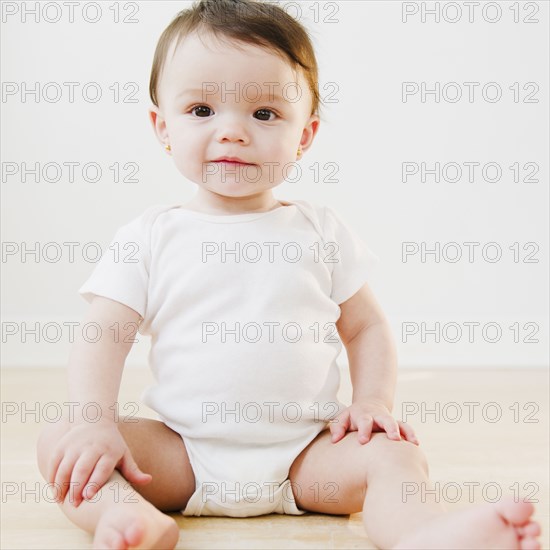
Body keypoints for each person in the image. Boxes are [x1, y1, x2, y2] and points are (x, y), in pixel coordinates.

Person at [36, 1, 542, 548]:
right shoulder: (149, 236)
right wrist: (95, 419)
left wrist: (373, 401)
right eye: (202, 110)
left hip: (308, 458)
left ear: (305, 136)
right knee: (64, 442)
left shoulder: (321, 232)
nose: (232, 133)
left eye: (264, 114)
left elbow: (366, 327)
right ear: (162, 126)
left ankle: (424, 532)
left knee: (397, 456)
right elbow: (103, 332)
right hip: (180, 456)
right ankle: (125, 518)